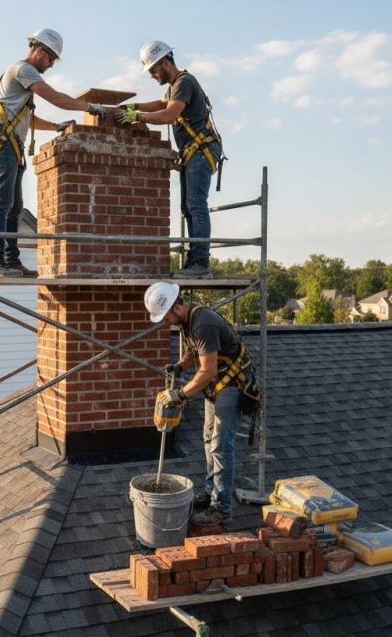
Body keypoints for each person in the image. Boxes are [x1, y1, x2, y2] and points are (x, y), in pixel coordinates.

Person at [0, 29, 104, 278]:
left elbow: (27, 118)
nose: (50, 65)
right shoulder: (23, 70)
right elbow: (56, 98)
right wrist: (89, 107)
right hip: (2, 140)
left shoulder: (21, 77)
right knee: (3, 200)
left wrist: (55, 127)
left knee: (15, 206)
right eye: (51, 60)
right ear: (41, 51)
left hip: (10, 141)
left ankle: (11, 261)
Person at [144, 281, 258, 526]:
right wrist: (180, 366)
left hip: (231, 384)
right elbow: (193, 354)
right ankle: (210, 492)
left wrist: (181, 394)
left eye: (164, 317)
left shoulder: (203, 322)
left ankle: (222, 507)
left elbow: (206, 370)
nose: (164, 322)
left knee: (220, 445)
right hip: (216, 384)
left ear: (175, 308)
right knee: (208, 439)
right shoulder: (187, 322)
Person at [118, 41, 224, 279]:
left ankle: (201, 263)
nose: (154, 75)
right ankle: (195, 260)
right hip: (192, 153)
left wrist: (137, 115)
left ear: (166, 62)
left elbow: (169, 113)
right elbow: (161, 104)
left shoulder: (184, 82)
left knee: (196, 204)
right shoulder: (174, 87)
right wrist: (133, 106)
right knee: (187, 206)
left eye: (154, 70)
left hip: (201, 150)